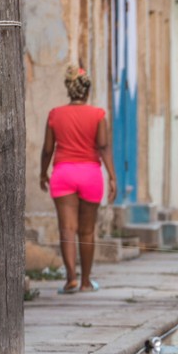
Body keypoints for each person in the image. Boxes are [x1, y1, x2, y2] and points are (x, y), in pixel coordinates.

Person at [40, 65, 117, 294]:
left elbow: (47, 150)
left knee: (67, 229)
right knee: (86, 231)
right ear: (87, 90)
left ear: (68, 88)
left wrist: (42, 173)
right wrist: (113, 177)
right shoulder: (98, 115)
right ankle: (85, 282)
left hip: (63, 175)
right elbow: (103, 147)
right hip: (90, 175)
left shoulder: (55, 114)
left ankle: (70, 280)